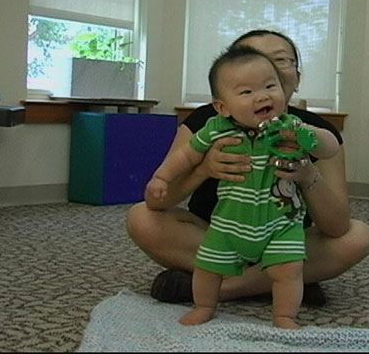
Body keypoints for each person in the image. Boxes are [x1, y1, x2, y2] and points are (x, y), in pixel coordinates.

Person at [126, 29, 369, 309]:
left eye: (279, 60)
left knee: (358, 236)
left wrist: (307, 175)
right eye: (250, 58)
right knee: (141, 218)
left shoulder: (312, 132)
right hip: (218, 235)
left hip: (284, 240)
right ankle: (279, 282)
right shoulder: (208, 123)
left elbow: (338, 225)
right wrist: (204, 168)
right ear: (222, 95)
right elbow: (157, 199)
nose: (262, 70)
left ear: (297, 77)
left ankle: (224, 288)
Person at [146, 46, 340, 328]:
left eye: (270, 86)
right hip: (228, 224)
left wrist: (307, 136)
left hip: (281, 224)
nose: (262, 95)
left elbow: (330, 147)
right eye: (246, 92)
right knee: (208, 268)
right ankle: (203, 307)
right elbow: (186, 155)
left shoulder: (292, 125)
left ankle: (284, 315)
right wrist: (161, 178)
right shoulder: (216, 128)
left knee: (289, 271)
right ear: (223, 107)